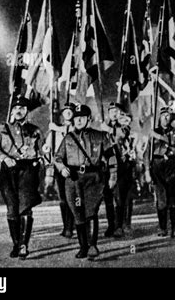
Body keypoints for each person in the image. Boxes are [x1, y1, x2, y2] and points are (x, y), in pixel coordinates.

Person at [55, 104, 117, 259]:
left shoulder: (101, 136)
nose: (79, 121)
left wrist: (113, 175)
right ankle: (83, 247)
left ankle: (93, 245)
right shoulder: (68, 138)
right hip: (74, 180)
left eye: (82, 117)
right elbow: (57, 157)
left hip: (93, 179)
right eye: (76, 118)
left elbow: (111, 156)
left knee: (91, 211)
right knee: (78, 213)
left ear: (88, 119)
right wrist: (62, 167)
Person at [0, 95, 43, 259]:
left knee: (25, 207)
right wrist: (5, 158)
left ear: (27, 111)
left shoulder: (35, 130)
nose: (18, 111)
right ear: (12, 111)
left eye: (22, 108)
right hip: (8, 172)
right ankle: (16, 244)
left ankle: (23, 245)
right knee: (12, 209)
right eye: (15, 108)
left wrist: (42, 157)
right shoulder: (3, 129)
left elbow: (42, 152)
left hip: (27, 171)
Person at [145, 106, 175, 237]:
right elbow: (147, 153)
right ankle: (162, 228)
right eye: (163, 115)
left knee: (172, 198)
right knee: (161, 200)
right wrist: (146, 171)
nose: (166, 118)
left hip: (172, 166)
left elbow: (173, 143)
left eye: (168, 115)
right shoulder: (153, 132)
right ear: (159, 117)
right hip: (157, 166)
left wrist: (159, 136)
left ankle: (174, 228)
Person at [43, 103, 76, 238]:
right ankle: (66, 227)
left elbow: (70, 132)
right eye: (65, 111)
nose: (68, 113)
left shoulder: (76, 129)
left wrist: (56, 128)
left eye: (70, 111)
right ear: (62, 114)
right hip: (58, 168)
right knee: (63, 199)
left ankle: (72, 226)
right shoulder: (53, 133)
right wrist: (49, 172)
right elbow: (48, 153)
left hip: (73, 168)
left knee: (72, 198)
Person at [100, 102, 122, 237]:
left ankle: (120, 226)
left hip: (122, 165)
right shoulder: (103, 127)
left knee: (119, 198)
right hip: (108, 165)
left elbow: (122, 135)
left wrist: (107, 129)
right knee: (108, 197)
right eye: (111, 111)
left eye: (116, 111)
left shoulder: (124, 125)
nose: (114, 113)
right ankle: (111, 225)